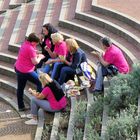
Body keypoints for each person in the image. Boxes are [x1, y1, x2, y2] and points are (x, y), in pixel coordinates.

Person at [15, 33, 45, 111]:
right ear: (33, 42)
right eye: (37, 42)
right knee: (40, 82)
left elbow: (30, 52)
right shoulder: (30, 49)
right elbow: (35, 62)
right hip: (25, 71)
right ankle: (39, 102)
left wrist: (36, 52)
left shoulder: (25, 43)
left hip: (18, 68)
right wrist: (40, 57)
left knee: (20, 88)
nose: (38, 43)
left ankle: (21, 106)